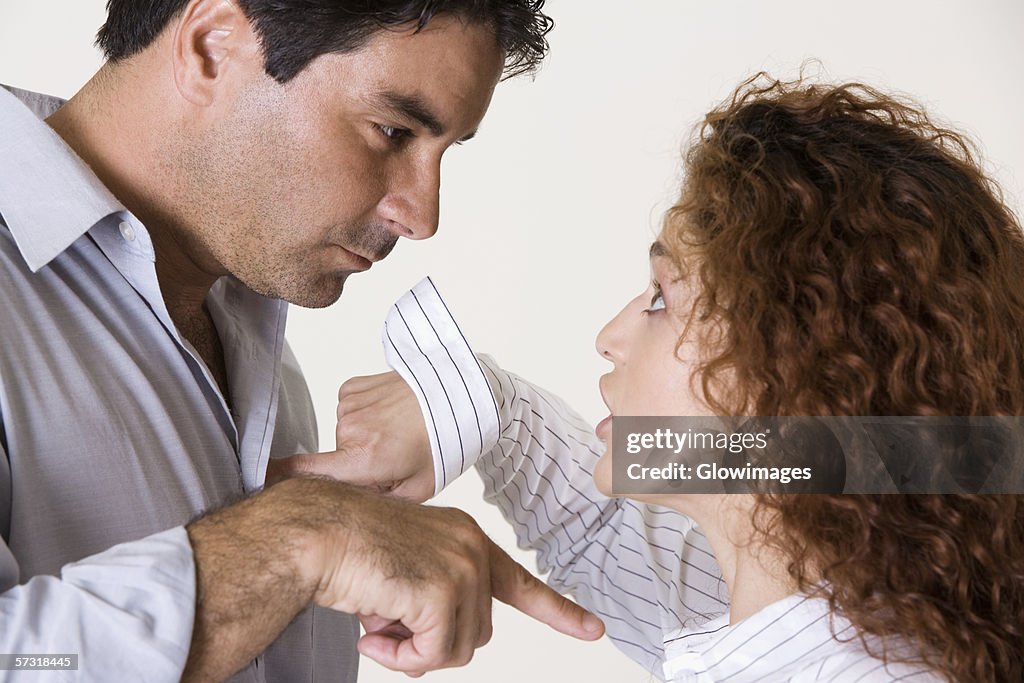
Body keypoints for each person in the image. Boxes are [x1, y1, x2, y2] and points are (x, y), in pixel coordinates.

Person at [290, 74, 1024, 681]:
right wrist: (466, 399)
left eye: (662, 298)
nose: (610, 338)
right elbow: (596, 524)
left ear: (794, 368)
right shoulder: (821, 605)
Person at [0, 1, 607, 681]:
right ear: (212, 46)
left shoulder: (253, 338)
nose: (421, 215)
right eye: (392, 130)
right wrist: (299, 542)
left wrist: (492, 412)